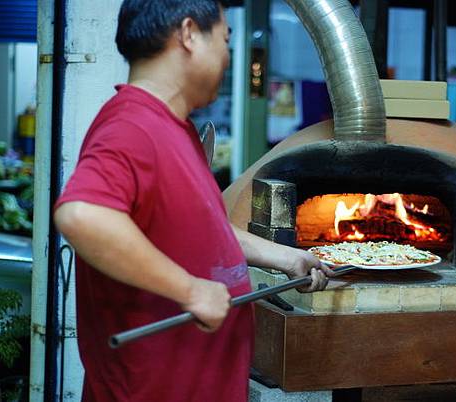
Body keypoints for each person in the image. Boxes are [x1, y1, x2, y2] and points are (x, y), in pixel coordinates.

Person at [53, 1, 333, 401]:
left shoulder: (177, 130)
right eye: (224, 39)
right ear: (188, 34)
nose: (227, 55)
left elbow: (203, 234)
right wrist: (189, 290)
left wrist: (287, 258)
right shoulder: (131, 126)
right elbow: (81, 215)